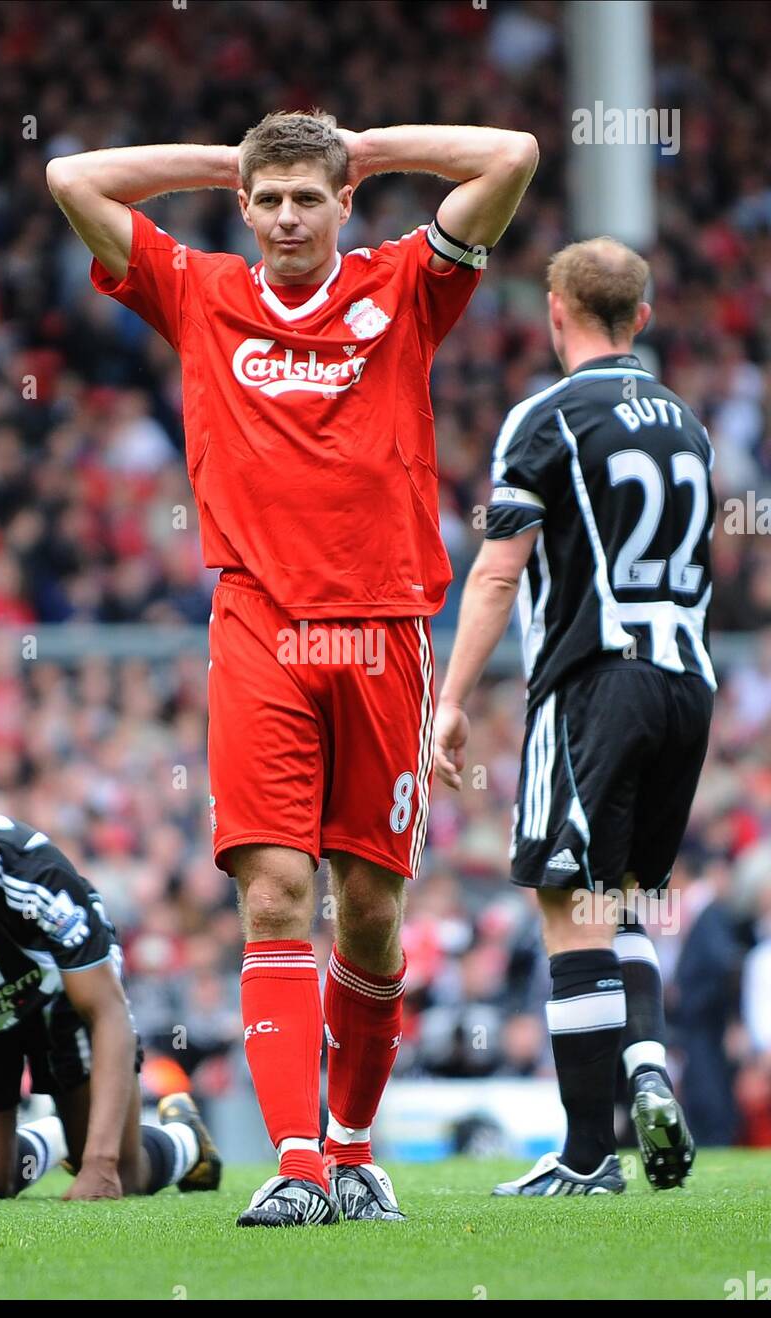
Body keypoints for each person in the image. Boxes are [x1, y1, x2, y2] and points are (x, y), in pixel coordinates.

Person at [47, 110, 538, 1225]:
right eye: (264, 199)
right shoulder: (200, 288)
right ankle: (298, 1160)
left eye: (305, 197)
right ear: (242, 205)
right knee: (274, 894)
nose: (282, 217)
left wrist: (364, 144)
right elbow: (72, 174)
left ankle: (355, 1147)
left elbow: (511, 155)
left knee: (369, 911)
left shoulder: (406, 282)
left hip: (382, 630)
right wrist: (224, 162)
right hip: (260, 624)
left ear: (343, 203)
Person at [434, 237, 715, 1196]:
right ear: (640, 316)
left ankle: (589, 1156)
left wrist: (452, 698)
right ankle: (645, 1062)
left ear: (556, 310)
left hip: (596, 683)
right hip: (690, 683)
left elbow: (499, 569)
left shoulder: (544, 419)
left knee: (566, 906)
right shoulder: (689, 423)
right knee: (618, 898)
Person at [0, 780, 220, 1205]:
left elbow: (107, 1012)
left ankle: (184, 1139)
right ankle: (60, 1137)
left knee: (123, 1173)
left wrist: (100, 1165)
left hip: (56, 1004)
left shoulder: (34, 873)